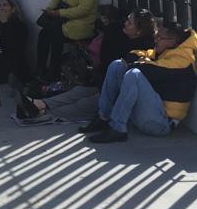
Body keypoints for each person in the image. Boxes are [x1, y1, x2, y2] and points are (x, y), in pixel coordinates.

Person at [18, 10, 156, 124]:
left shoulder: (144, 49)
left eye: (130, 23)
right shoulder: (117, 33)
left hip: (119, 93)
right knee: (79, 92)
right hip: (104, 83)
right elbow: (106, 61)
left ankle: (44, 112)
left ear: (139, 31)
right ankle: (40, 103)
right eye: (127, 20)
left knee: (87, 103)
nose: (125, 23)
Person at [82, 19, 197, 143]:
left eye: (160, 38)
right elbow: (149, 54)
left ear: (173, 41)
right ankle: (103, 117)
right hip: (151, 112)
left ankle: (117, 128)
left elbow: (150, 70)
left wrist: (133, 63)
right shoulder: (169, 49)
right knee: (117, 66)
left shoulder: (183, 60)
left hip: (161, 123)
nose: (156, 40)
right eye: (156, 36)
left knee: (134, 75)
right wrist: (134, 56)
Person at [37, 0, 99, 81]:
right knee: (43, 34)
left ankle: (53, 71)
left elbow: (84, 9)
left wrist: (59, 13)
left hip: (82, 23)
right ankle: (41, 69)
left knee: (55, 34)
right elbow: (55, 0)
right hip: (64, 21)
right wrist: (49, 11)